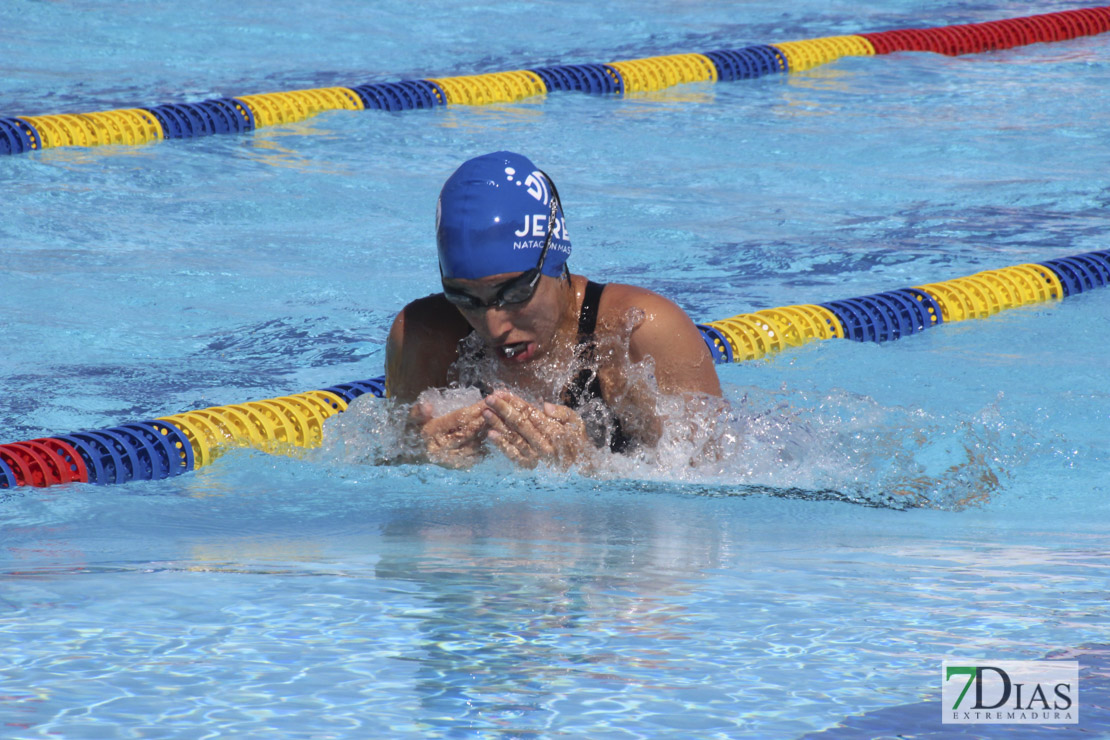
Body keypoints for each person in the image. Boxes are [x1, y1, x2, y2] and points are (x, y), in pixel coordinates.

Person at [385, 151, 722, 469]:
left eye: (515, 293)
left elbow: (713, 488)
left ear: (554, 258)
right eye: (464, 298)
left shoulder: (638, 334)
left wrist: (589, 470)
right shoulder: (425, 338)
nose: (493, 325)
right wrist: (416, 463)